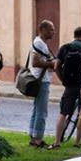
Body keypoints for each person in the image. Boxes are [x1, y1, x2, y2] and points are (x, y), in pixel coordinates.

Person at [52, 26, 81, 148]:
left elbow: (56, 66)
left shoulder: (65, 48)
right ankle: (77, 142)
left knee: (63, 113)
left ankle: (57, 142)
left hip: (69, 86)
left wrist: (63, 80)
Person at [28, 20, 57, 148]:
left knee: (37, 109)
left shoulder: (40, 42)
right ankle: (38, 139)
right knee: (42, 111)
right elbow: (35, 62)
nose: (53, 32)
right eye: (51, 29)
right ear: (43, 30)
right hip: (41, 80)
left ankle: (33, 136)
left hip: (40, 79)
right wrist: (52, 64)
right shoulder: (39, 43)